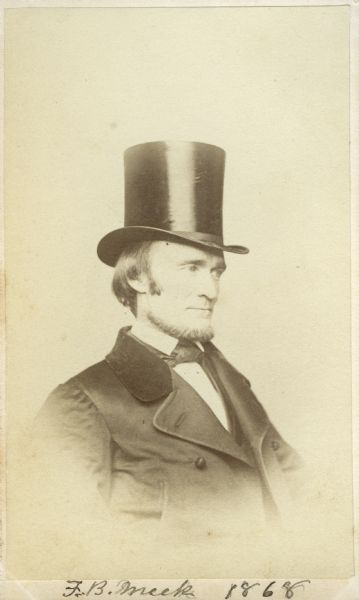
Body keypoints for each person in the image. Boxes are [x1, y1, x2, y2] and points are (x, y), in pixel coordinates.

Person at [35, 141, 303, 543]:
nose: (209, 290)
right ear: (137, 279)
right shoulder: (81, 402)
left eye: (216, 271)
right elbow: (64, 549)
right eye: (191, 267)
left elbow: (308, 500)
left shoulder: (231, 381)